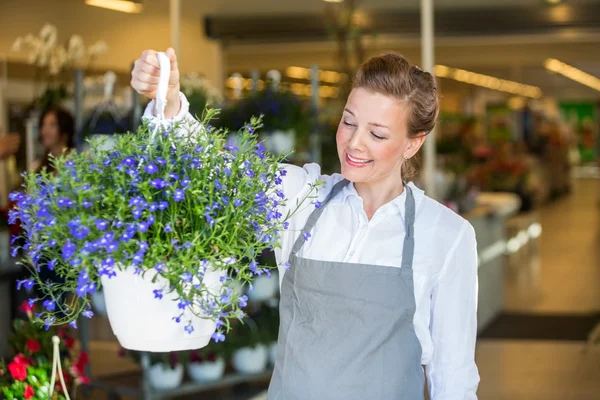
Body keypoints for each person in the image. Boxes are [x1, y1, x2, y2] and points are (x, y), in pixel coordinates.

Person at [131, 48, 480, 399]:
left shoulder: (445, 235)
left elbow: (453, 376)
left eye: (377, 134)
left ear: (412, 144)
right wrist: (171, 102)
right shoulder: (302, 197)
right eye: (348, 121)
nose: (353, 143)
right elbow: (214, 171)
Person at [32, 107, 75, 174]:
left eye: (52, 125)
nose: (44, 131)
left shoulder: (77, 164)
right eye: (43, 125)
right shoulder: (37, 166)